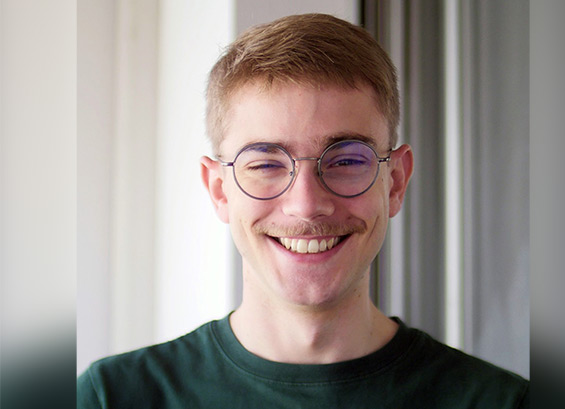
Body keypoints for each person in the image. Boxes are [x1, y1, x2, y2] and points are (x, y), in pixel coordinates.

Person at [77, 13, 529, 408]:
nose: (307, 205)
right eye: (266, 164)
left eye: (348, 159)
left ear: (395, 182)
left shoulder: (502, 403)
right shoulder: (113, 397)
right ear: (219, 190)